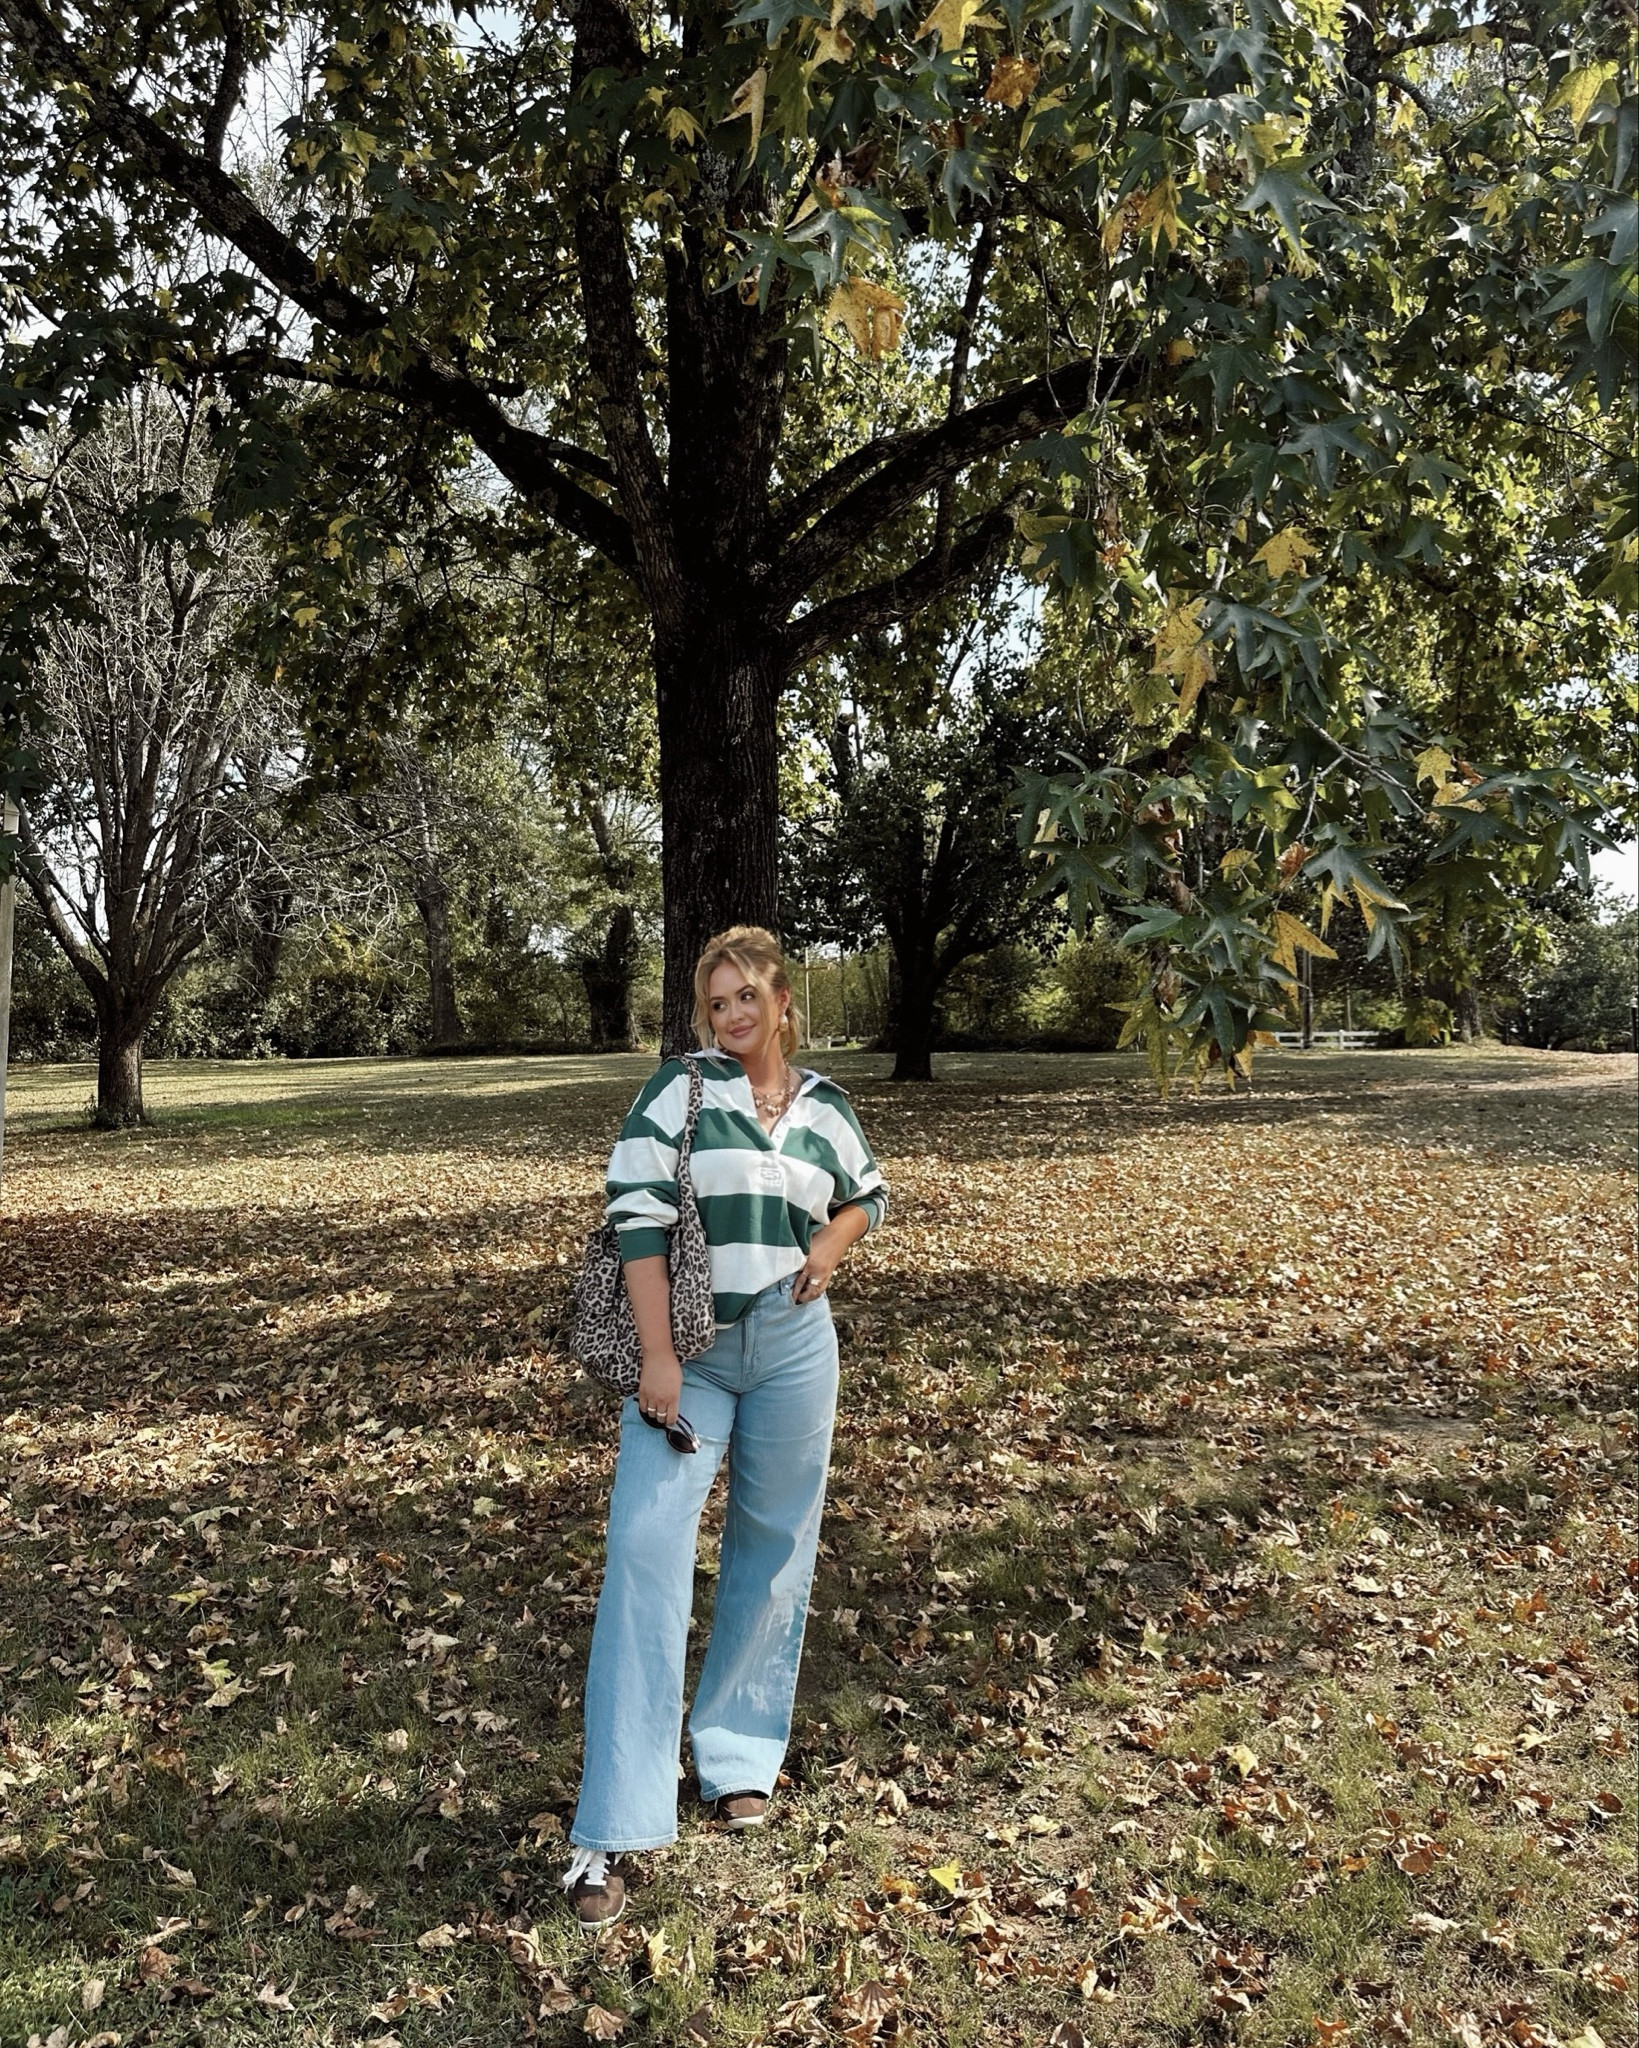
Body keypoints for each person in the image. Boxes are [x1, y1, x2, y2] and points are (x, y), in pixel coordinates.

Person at [561, 925, 887, 1930]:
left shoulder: (824, 1104)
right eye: (717, 1003)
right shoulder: (679, 1092)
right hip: (692, 1355)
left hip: (795, 1346)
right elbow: (637, 1215)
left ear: (783, 999)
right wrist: (657, 1356)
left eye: (748, 996)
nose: (734, 1014)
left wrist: (831, 1242)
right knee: (646, 1548)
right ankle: (612, 1821)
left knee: (774, 1545)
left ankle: (738, 1757)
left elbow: (867, 1192)